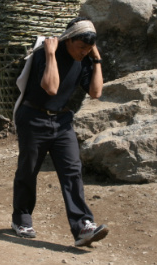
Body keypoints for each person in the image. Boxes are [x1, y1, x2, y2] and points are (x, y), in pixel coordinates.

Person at [11, 17, 109, 247]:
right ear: (68, 40)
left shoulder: (86, 59)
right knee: (28, 170)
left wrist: (97, 60)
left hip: (62, 121)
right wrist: (51, 54)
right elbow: (52, 87)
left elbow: (95, 92)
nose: (83, 52)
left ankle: (83, 226)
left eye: (88, 48)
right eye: (80, 47)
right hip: (33, 118)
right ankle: (21, 219)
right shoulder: (43, 54)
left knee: (72, 171)